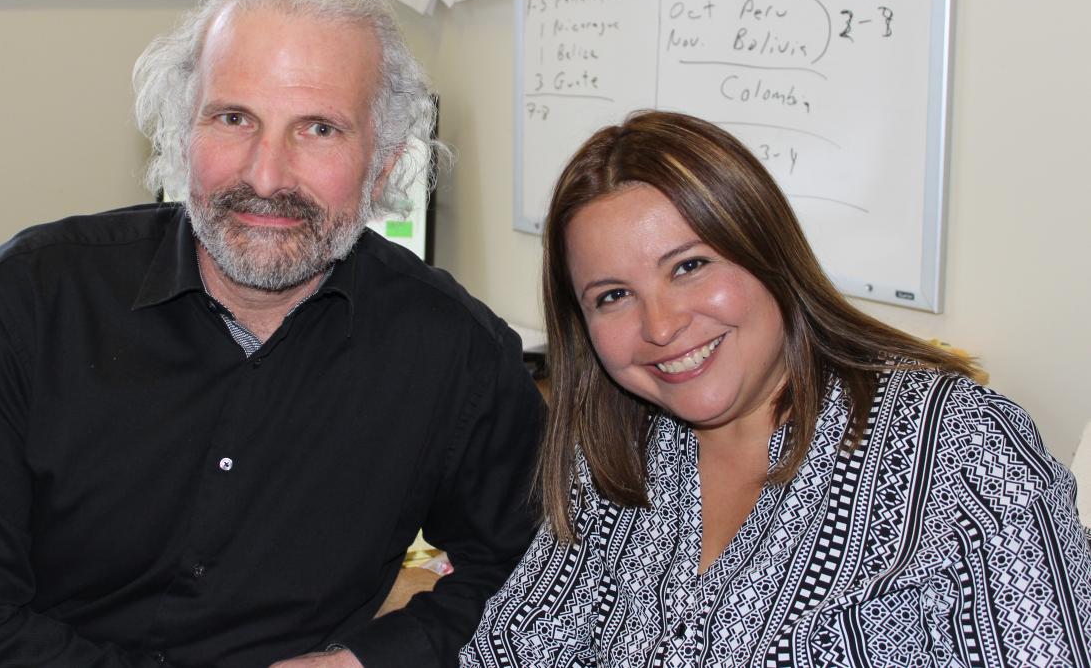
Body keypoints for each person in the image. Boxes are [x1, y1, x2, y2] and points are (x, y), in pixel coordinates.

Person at [0, 0, 545, 668]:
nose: (266, 175)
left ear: (384, 164)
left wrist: (368, 660)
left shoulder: (454, 353)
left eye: (319, 128)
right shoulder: (22, 305)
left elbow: (533, 576)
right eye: (234, 118)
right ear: (181, 135)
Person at [460, 111, 1091, 667]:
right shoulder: (617, 450)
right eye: (614, 296)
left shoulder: (962, 448)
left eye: (689, 266)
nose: (660, 327)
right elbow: (510, 651)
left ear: (770, 254)